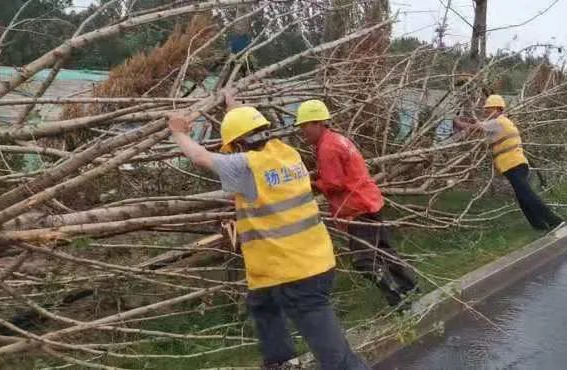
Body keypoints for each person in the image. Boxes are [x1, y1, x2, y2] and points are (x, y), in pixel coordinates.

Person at [167, 94, 369, 370]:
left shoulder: (246, 166)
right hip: (300, 262)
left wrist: (178, 132)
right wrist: (235, 109)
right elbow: (250, 129)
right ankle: (280, 362)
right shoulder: (286, 153)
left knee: (333, 355)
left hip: (297, 273)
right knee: (262, 304)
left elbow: (200, 157)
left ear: (238, 144)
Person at [294, 99, 418, 307]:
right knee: (384, 252)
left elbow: (334, 184)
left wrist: (310, 183)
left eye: (304, 126)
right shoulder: (337, 139)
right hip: (369, 201)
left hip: (357, 207)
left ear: (317, 123)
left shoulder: (327, 148)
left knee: (365, 260)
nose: (302, 131)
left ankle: (398, 301)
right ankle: (411, 289)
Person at [454, 94, 564, 231]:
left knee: (526, 195)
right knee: (522, 197)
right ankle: (540, 226)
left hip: (513, 164)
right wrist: (468, 123)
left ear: (499, 109)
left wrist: (458, 122)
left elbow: (477, 127)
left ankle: (554, 221)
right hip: (514, 164)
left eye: (489, 111)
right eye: (486, 111)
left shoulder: (499, 122)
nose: (487, 114)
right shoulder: (500, 124)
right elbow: (480, 130)